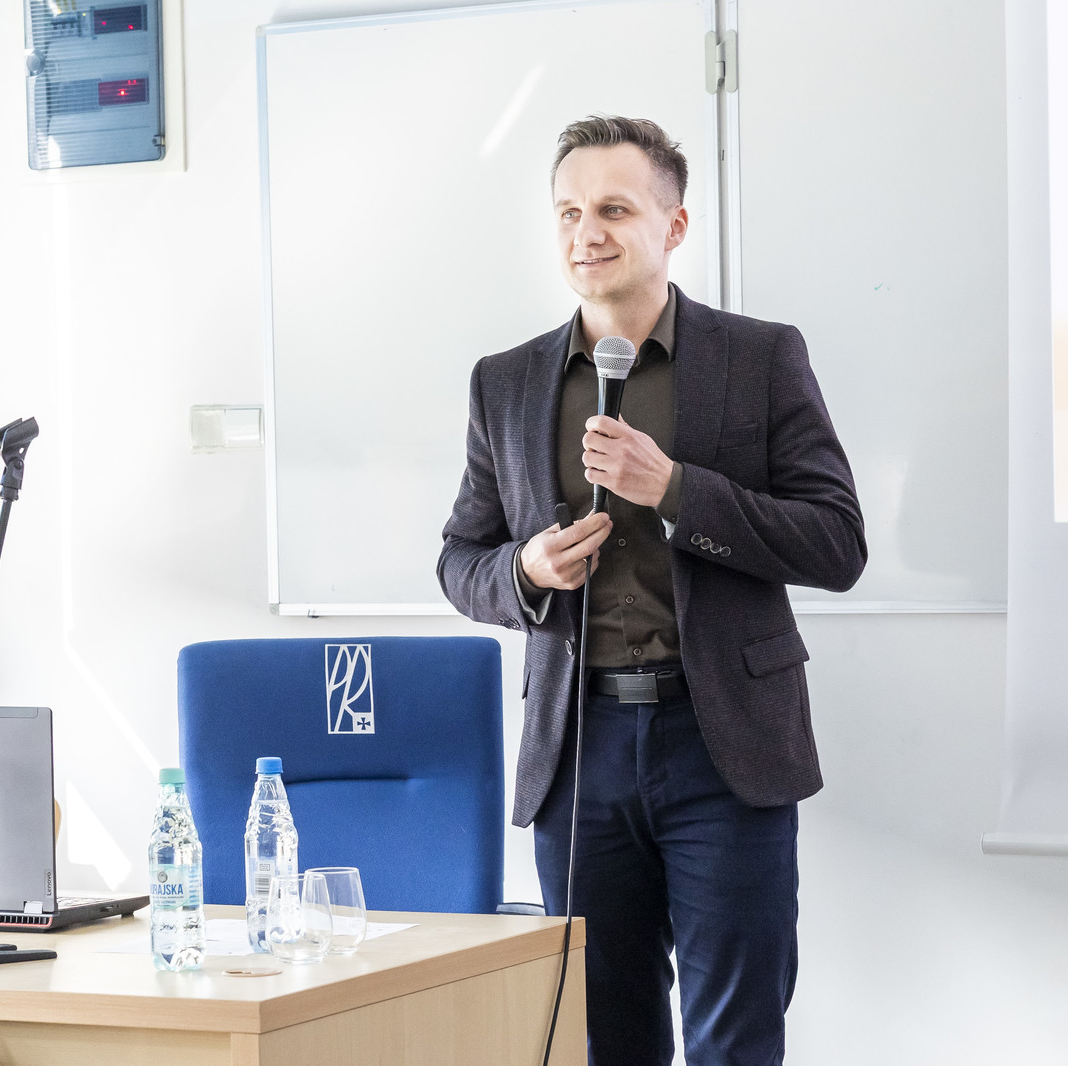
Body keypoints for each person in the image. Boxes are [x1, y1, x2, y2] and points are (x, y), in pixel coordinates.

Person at [437, 115, 866, 1066]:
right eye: (568, 212)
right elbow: (461, 560)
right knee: (607, 1039)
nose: (586, 233)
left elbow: (838, 542)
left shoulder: (760, 357)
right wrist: (527, 571)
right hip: (578, 749)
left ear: (673, 227)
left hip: (723, 748)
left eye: (614, 210)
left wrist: (674, 488)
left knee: (734, 1041)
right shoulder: (505, 383)